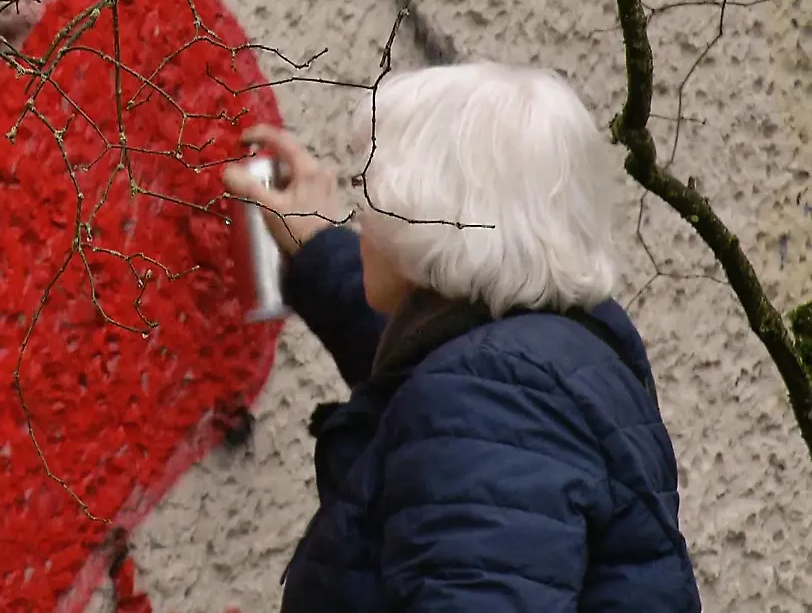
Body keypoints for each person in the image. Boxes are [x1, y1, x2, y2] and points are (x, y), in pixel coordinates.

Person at [221, 62, 701, 612]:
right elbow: (422, 370)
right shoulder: (550, 352)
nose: (363, 221)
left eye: (369, 189)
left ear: (420, 212)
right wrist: (317, 246)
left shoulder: (490, 397)